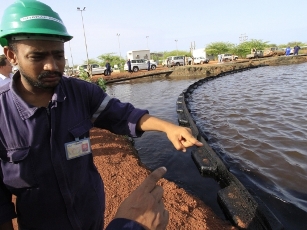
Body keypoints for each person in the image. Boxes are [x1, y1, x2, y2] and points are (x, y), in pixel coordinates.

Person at [0, 1, 203, 229]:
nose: (52, 66)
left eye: (58, 55)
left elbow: (122, 115)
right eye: (37, 57)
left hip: (91, 216)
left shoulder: (81, 93)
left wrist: (169, 128)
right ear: (12, 55)